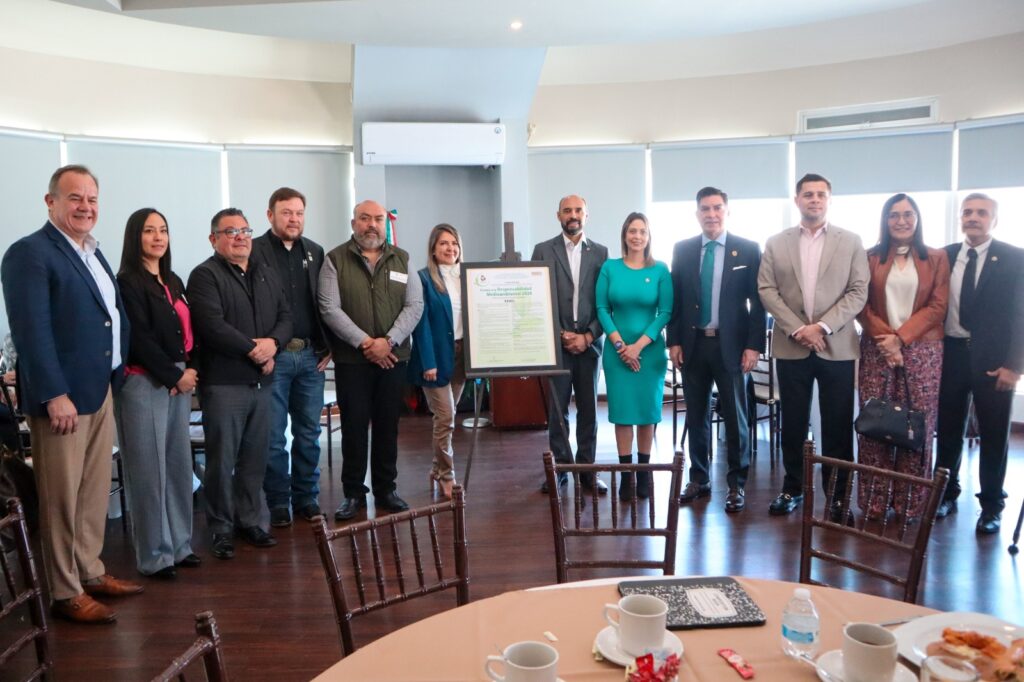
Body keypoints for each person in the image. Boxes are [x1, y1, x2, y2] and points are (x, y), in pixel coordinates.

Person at [1, 164, 143, 624]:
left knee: (92, 491)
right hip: (62, 400)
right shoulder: (29, 253)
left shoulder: (93, 253)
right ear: (51, 202)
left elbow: (109, 316)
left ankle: (90, 570)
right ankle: (65, 591)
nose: (85, 207)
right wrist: (53, 393)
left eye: (92, 199)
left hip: (100, 389)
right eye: (75, 198)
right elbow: (31, 332)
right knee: (61, 498)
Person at [757, 173, 869, 516]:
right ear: (797, 200)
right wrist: (798, 329)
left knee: (837, 425)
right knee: (792, 423)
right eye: (808, 194)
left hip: (837, 346)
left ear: (829, 200)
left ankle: (837, 496)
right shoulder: (776, 243)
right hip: (791, 346)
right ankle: (792, 488)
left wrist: (821, 326)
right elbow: (766, 290)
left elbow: (858, 291)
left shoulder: (851, 241)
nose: (815, 199)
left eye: (821, 194)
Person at [187, 208, 292, 559]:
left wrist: (273, 344)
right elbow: (212, 325)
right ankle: (220, 528)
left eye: (245, 230)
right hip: (224, 383)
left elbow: (285, 316)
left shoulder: (265, 272)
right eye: (230, 232)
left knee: (254, 458)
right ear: (213, 239)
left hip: (262, 383)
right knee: (222, 460)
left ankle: (249, 521)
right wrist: (255, 351)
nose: (240, 237)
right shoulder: (204, 275)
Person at [318, 200, 424, 520]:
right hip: (353, 360)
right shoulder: (335, 259)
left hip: (393, 359)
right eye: (365, 218)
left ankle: (386, 489)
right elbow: (329, 308)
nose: (372, 225)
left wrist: (387, 342)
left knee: (387, 426)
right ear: (354, 223)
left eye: (377, 219)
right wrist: (366, 343)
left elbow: (415, 306)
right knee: (353, 427)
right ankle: (353, 493)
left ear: (384, 224)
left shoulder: (402, 259)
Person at [666, 187, 765, 513]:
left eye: (717, 208)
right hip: (693, 345)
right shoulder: (683, 249)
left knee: (736, 418)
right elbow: (676, 300)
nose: (711, 214)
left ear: (727, 211)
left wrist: (753, 346)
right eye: (705, 209)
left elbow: (757, 303)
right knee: (697, 416)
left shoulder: (748, 249)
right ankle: (699, 478)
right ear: (697, 214)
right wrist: (673, 341)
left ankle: (736, 484)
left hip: (732, 347)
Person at [115, 208, 202, 579]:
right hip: (144, 382)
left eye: (163, 230)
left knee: (178, 466)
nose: (157, 237)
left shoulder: (173, 280)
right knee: (149, 472)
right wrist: (174, 376)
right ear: (135, 237)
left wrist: (191, 369)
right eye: (149, 231)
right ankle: (155, 556)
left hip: (179, 379)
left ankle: (180, 545)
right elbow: (138, 338)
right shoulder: (127, 282)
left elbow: (190, 330)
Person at [934, 193, 1024, 534]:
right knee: (948, 431)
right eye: (967, 212)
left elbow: (1022, 315)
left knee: (994, 435)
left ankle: (991, 506)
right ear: (960, 217)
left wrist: (1015, 366)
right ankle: (945, 494)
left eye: (982, 213)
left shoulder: (1015, 258)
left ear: (994, 220)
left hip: (995, 362)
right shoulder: (943, 256)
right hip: (951, 354)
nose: (973, 217)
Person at [856, 194, 949, 520]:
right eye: (894, 215)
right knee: (875, 424)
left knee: (916, 427)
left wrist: (900, 339)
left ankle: (909, 504)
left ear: (917, 219)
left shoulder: (936, 258)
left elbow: (938, 306)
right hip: (877, 348)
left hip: (923, 351)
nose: (901, 221)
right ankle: (875, 503)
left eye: (908, 214)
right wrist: (888, 340)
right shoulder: (868, 257)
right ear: (885, 220)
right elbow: (860, 304)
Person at [251, 187, 330, 528]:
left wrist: (329, 345)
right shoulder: (253, 250)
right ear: (270, 215)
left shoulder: (315, 251)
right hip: (275, 359)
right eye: (286, 212)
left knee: (309, 433)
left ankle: (306, 498)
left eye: (299, 213)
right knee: (273, 436)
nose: (293, 219)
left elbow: (325, 302)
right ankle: (278, 501)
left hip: (311, 356)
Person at [531, 195, 610, 494]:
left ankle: (587, 470)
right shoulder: (542, 250)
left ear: (586, 215)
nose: (573, 215)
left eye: (578, 210)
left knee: (589, 410)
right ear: (558, 215)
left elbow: (606, 303)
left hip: (590, 346)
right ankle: (561, 469)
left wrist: (588, 336)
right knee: (558, 411)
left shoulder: (601, 253)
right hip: (557, 346)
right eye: (567, 210)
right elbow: (536, 299)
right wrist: (560, 334)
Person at [595, 212, 672, 499]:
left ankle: (644, 473)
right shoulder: (610, 268)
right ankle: (626, 475)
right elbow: (602, 309)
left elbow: (665, 312)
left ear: (649, 236)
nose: (637, 236)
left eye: (642, 231)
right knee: (623, 414)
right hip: (617, 354)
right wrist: (620, 346)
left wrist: (638, 347)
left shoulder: (660, 270)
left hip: (650, 354)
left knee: (647, 413)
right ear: (625, 235)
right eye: (632, 231)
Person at [408, 224, 467, 499]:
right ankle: (446, 474)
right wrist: (427, 362)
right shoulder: (423, 279)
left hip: (461, 356)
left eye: (454, 243)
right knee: (445, 417)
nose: (450, 248)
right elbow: (420, 325)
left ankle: (436, 467)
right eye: (443, 243)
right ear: (433, 249)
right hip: (435, 357)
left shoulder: (468, 277)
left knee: (448, 417)